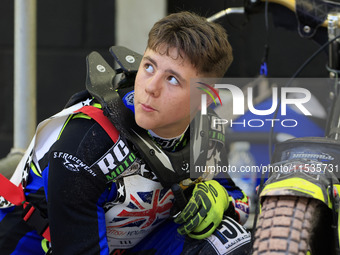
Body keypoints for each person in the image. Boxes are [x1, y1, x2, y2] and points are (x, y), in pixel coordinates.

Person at [0, 11, 251, 254]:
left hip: (123, 245)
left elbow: (242, 204)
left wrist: (222, 199)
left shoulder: (207, 131)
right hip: (29, 246)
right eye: (149, 66)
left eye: (172, 79)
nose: (150, 88)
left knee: (229, 237)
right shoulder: (86, 144)